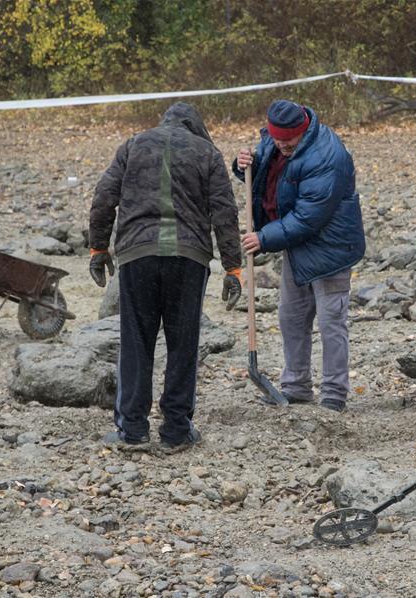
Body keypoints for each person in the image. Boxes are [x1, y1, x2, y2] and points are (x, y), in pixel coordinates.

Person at [89, 102, 242, 452]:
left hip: (137, 255)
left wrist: (98, 248)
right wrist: (232, 268)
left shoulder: (133, 144)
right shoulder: (208, 152)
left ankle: (133, 430)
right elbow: (224, 211)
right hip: (188, 259)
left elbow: (104, 197)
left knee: (136, 342)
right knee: (183, 345)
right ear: (196, 126)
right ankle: (175, 430)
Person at [233, 99, 365, 412]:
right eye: (278, 141)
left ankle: (334, 394)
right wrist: (242, 166)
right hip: (296, 246)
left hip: (331, 249)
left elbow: (309, 216)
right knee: (291, 318)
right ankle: (296, 387)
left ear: (302, 130)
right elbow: (265, 178)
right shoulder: (272, 142)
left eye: (288, 142)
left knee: (331, 322)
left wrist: (264, 238)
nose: (283, 146)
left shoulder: (328, 154)